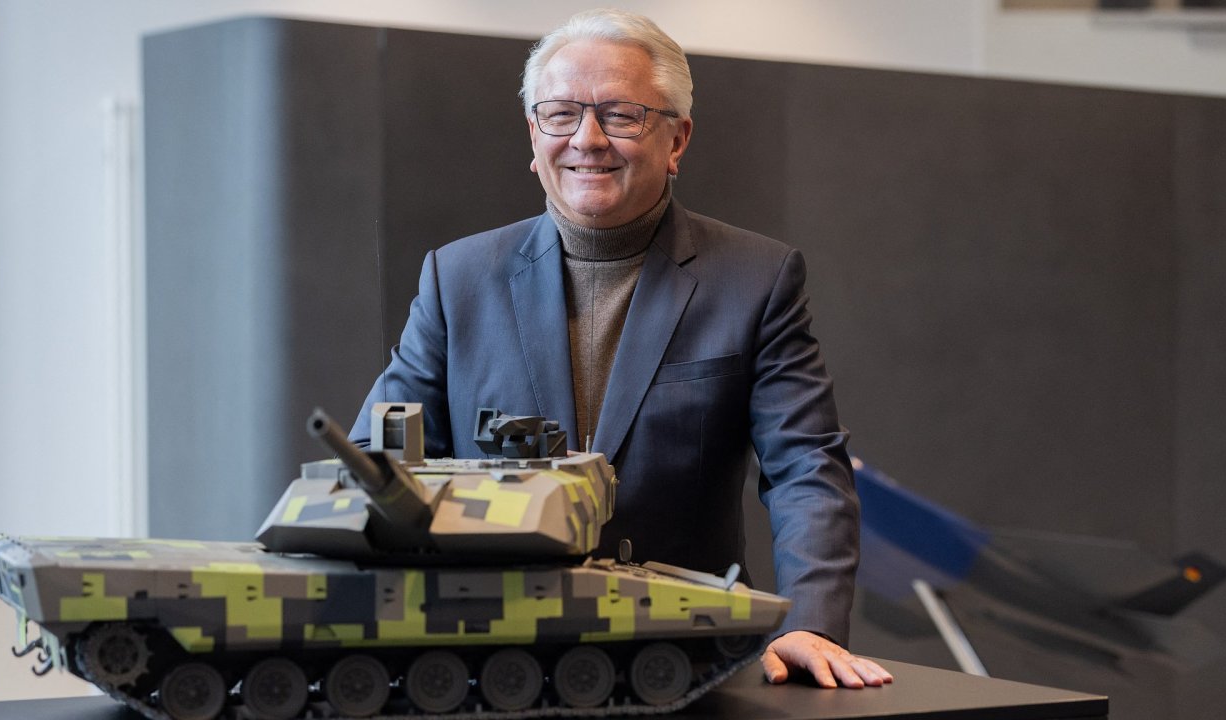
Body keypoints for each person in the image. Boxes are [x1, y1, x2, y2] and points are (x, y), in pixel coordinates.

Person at [350, 8, 891, 690]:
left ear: (677, 138)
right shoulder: (456, 279)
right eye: (560, 114)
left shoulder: (755, 280)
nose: (587, 139)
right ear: (534, 135)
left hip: (684, 660)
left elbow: (806, 467)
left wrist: (809, 621)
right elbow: (375, 465)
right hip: (490, 656)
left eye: (621, 115)